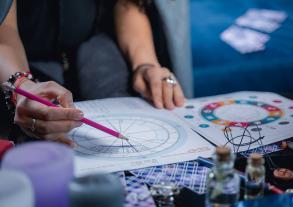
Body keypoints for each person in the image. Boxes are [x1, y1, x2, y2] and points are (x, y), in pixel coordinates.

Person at [0, 0, 186, 146]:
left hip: (95, 41)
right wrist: (20, 85)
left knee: (121, 101)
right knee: (37, 133)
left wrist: (145, 65)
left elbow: (128, 3)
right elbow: (4, 31)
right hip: (23, 55)